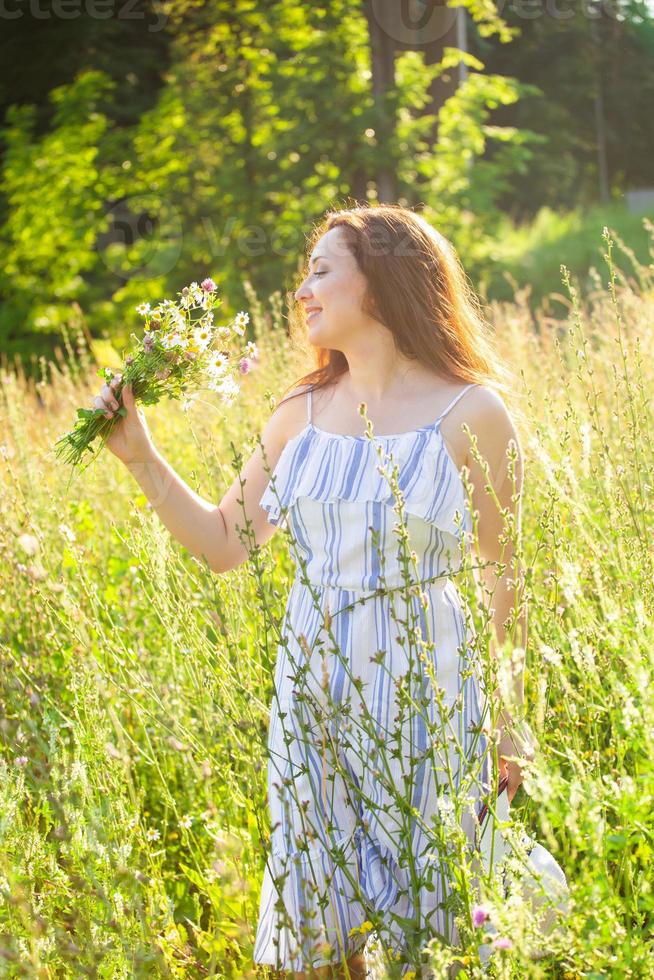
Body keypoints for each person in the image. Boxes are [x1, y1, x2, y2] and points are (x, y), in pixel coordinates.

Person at [94, 204, 531, 979]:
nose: (303, 290)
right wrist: (140, 457)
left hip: (426, 686)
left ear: (387, 283)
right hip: (313, 690)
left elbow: (505, 573)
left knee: (440, 924)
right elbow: (227, 545)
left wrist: (510, 720)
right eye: (306, 272)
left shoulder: (473, 412)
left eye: (323, 270)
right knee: (321, 930)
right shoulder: (298, 414)